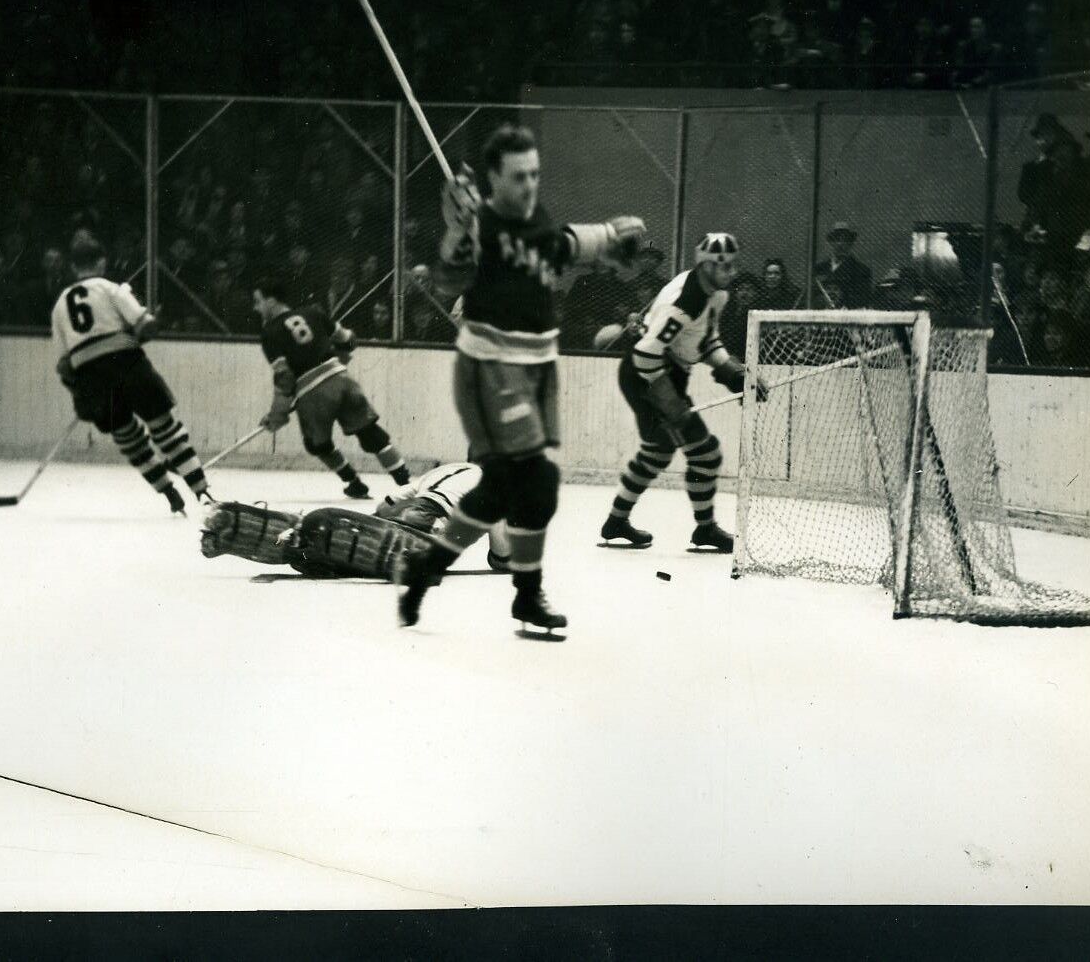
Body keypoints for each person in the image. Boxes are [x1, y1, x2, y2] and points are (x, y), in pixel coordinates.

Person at [395, 123, 647, 634]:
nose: (529, 186)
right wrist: (454, 233)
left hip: (537, 370)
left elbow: (562, 245)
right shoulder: (479, 227)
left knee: (526, 491)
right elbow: (447, 280)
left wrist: (612, 239)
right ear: (494, 179)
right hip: (491, 370)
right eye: (518, 177)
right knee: (533, 479)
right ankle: (525, 596)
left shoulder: (537, 221)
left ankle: (429, 569)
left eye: (535, 175)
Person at [601, 233, 763, 553]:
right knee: (706, 454)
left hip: (661, 370)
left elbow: (704, 342)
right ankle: (704, 530)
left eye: (733, 265)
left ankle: (616, 521)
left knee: (658, 451)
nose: (731, 272)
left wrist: (732, 371)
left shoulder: (715, 294)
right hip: (646, 374)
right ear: (705, 266)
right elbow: (646, 354)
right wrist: (671, 401)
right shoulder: (683, 303)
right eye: (724, 266)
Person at [51, 235, 214, 515]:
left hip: (90, 378)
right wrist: (140, 329)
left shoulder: (60, 305)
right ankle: (203, 494)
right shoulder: (110, 288)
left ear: (73, 267)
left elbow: (65, 365)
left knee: (128, 437)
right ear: (101, 261)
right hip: (126, 364)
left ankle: (169, 493)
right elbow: (147, 326)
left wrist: (81, 391)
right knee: (165, 429)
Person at [200, 462, 511, 579]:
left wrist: (368, 522)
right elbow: (501, 554)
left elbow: (390, 503)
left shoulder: (448, 469)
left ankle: (235, 526)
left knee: (358, 536)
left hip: (414, 509)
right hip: (434, 528)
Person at [253, 277, 411, 500]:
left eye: (258, 301)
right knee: (371, 434)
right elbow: (347, 339)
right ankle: (407, 485)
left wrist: (277, 414)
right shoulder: (313, 312)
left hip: (312, 395)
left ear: (271, 300)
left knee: (317, 444)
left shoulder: (270, 333)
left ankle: (354, 483)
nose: (256, 307)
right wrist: (341, 357)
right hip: (342, 381)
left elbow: (285, 378)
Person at [813, 220, 873, 308]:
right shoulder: (819, 268)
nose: (840, 244)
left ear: (851, 243)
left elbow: (862, 300)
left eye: (845, 240)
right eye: (836, 239)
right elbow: (812, 295)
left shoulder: (861, 270)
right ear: (831, 243)